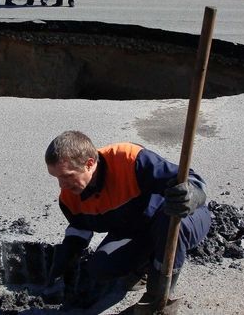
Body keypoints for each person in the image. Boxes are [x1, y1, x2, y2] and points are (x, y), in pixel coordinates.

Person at [44, 131, 210, 313]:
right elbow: (80, 227)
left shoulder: (129, 160)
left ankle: (158, 297)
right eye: (57, 178)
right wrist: (67, 254)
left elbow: (191, 180)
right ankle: (144, 268)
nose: (62, 184)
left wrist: (192, 196)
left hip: (183, 217)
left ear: (89, 164)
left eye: (67, 176)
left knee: (171, 222)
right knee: (99, 268)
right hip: (135, 231)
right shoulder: (69, 197)